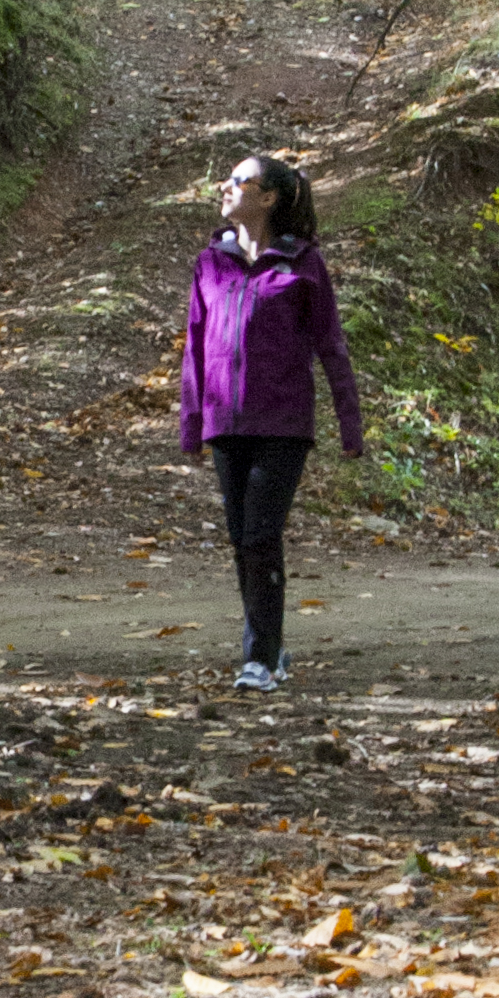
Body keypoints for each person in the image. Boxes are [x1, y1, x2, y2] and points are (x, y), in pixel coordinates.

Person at [176, 149, 364, 690]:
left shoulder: (303, 262)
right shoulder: (211, 261)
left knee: (260, 533)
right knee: (242, 536)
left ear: (269, 196)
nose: (225, 187)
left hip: (282, 424)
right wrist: (192, 424)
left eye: (239, 180)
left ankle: (258, 657)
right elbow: (193, 345)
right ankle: (271, 645)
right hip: (225, 423)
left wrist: (350, 426)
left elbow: (332, 345)